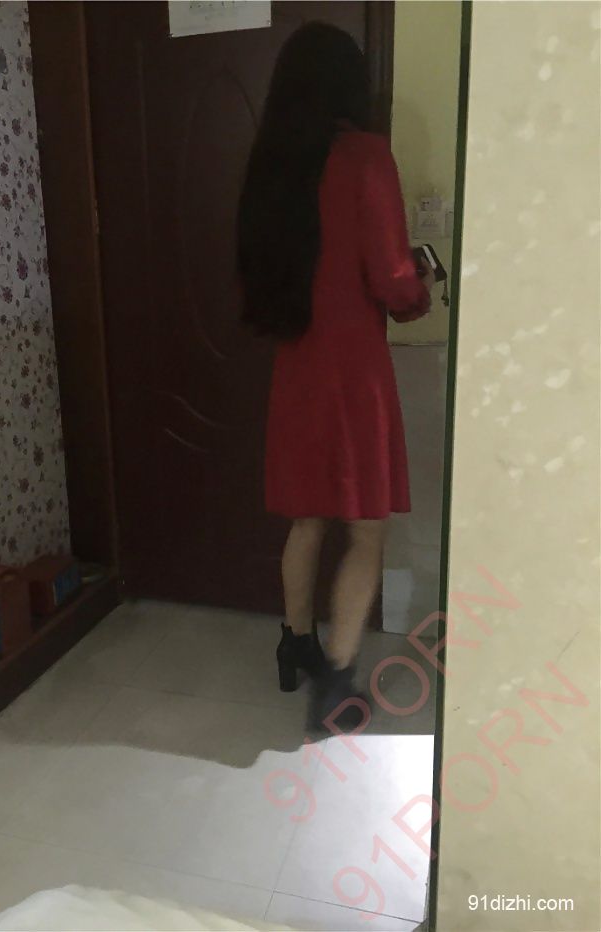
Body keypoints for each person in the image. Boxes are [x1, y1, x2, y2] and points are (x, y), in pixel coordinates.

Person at [237, 22, 435, 733]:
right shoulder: (365, 156)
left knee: (307, 517)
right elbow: (393, 280)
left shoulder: (272, 165)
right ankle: (337, 687)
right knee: (366, 530)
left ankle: (295, 646)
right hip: (354, 374)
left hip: (296, 367)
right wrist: (422, 287)